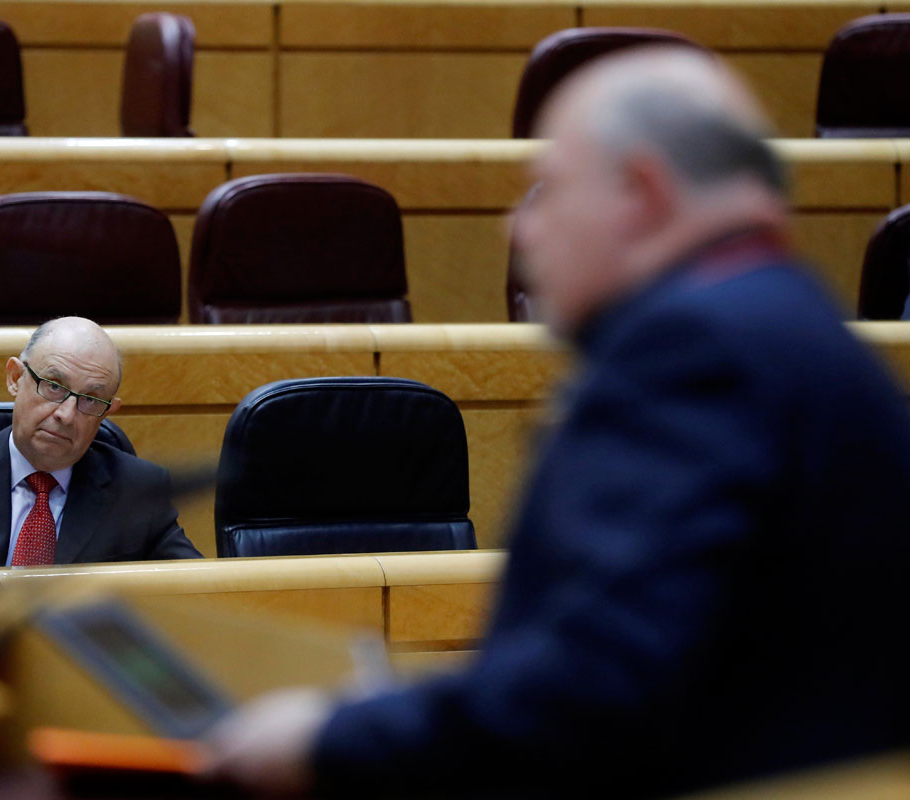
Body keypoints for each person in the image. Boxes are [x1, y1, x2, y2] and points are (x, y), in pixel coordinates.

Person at [201, 49, 910, 797]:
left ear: (640, 191)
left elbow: (593, 691)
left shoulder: (691, 350)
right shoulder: (791, 322)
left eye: (550, 191)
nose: (523, 227)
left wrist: (327, 739)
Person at [0, 316, 200, 569]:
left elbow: (199, 591)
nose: (66, 414)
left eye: (90, 400)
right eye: (53, 386)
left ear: (107, 411)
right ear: (15, 377)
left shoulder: (138, 491)